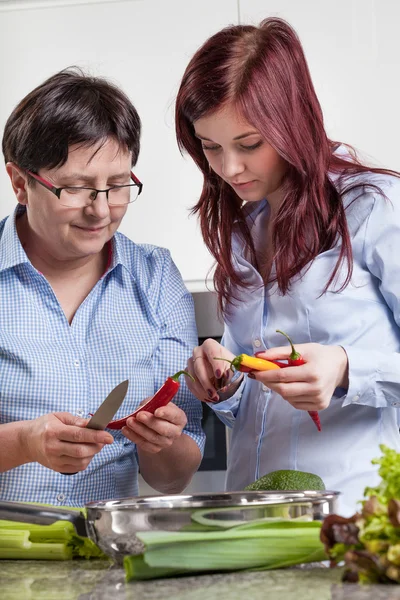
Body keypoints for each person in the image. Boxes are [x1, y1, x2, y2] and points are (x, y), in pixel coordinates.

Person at [175, 17, 400, 516]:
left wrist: (345, 368)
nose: (229, 169)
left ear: (292, 121)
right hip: (251, 516)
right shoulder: (240, 227)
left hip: (353, 515)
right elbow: (254, 405)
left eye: (249, 144)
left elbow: (351, 370)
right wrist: (226, 380)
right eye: (210, 147)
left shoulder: (374, 205)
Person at [0, 68, 204, 507]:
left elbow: (173, 479)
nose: (101, 211)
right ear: (20, 183)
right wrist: (25, 443)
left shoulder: (154, 277)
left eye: (116, 186)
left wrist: (163, 441)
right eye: (76, 188)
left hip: (105, 553)